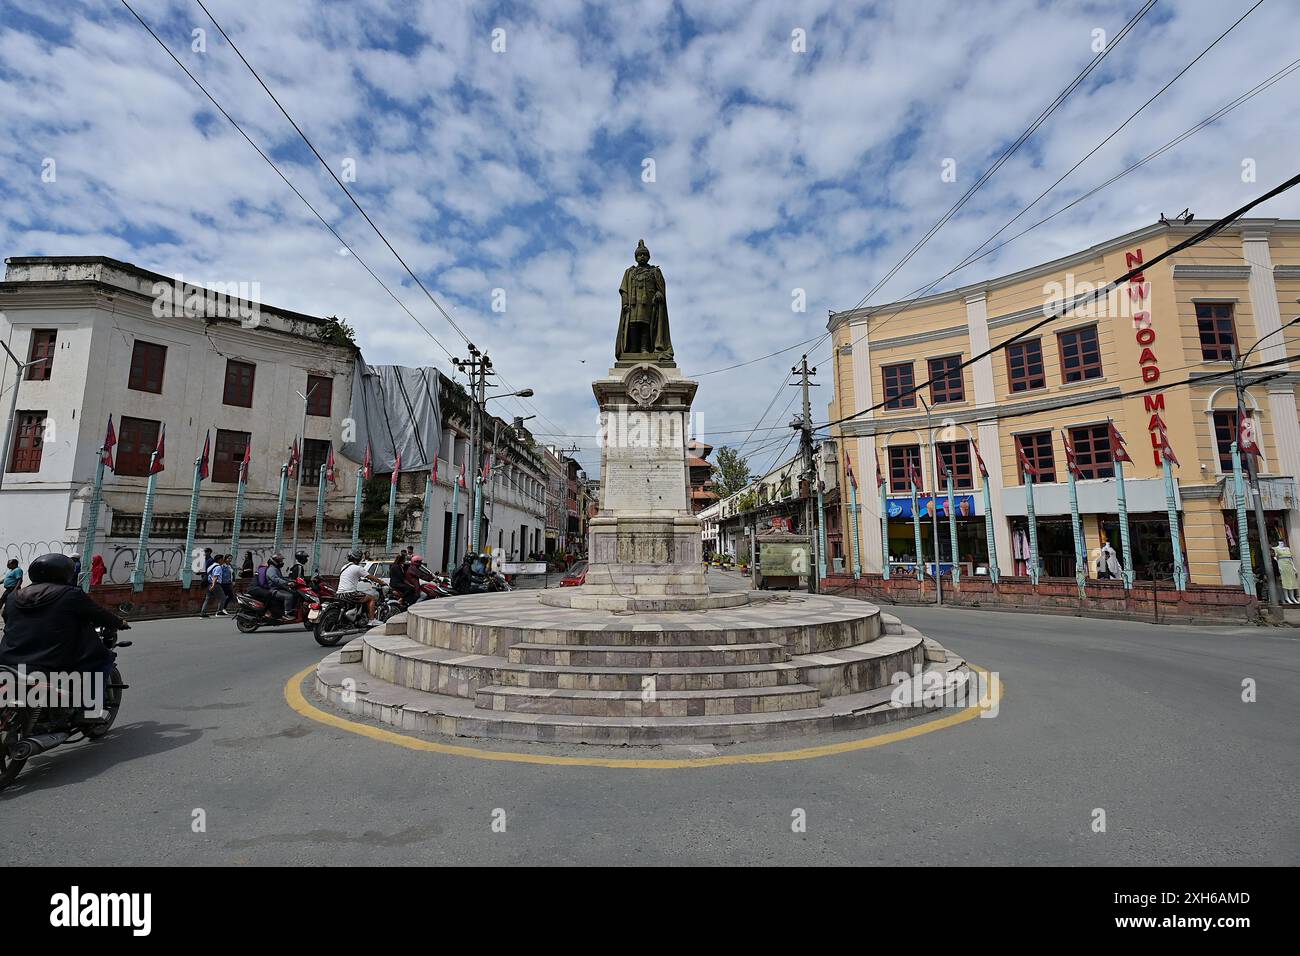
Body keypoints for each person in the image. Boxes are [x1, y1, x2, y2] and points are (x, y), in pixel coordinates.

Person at [0, 552, 128, 692]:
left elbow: (7, 618)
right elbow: (100, 614)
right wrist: (120, 623)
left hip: (8, 658)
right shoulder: (71, 594)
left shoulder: (13, 597)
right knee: (104, 658)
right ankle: (89, 708)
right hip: (51, 660)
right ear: (66, 573)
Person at [336, 550, 385, 620]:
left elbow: (351, 577)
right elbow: (371, 577)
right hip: (349, 594)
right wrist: (382, 582)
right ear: (358, 559)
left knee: (362, 595)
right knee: (371, 598)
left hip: (339, 594)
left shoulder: (344, 567)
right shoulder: (358, 568)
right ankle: (372, 620)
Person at [265, 553, 296, 619]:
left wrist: (291, 580)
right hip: (274, 590)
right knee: (289, 596)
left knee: (294, 593)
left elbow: (281, 578)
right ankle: (287, 613)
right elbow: (276, 579)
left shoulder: (276, 569)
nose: (282, 562)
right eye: (280, 561)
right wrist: (287, 583)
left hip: (279, 588)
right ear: (275, 561)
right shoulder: (271, 569)